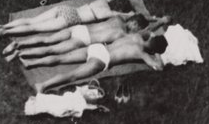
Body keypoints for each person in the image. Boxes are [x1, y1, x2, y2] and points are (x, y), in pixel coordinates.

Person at [34, 30, 169, 93]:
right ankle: (43, 85)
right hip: (102, 58)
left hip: (98, 46)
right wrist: (156, 54)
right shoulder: (141, 53)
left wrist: (152, 35)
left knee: (61, 58)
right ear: (153, 49)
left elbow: (149, 32)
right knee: (72, 76)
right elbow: (159, 67)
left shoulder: (136, 36)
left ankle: (32, 63)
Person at [8, 12, 169, 61]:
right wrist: (160, 21)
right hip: (83, 39)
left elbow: (137, 17)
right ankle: (19, 53)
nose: (136, 29)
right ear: (135, 25)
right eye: (137, 26)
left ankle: (18, 45)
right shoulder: (124, 34)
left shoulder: (118, 18)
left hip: (79, 29)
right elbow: (145, 31)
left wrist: (157, 19)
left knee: (47, 40)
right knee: (52, 51)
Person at [0, 0, 137, 40]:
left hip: (66, 9)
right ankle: (4, 32)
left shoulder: (103, 1)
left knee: (31, 21)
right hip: (71, 19)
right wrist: (129, 14)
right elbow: (122, 15)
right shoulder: (109, 13)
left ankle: (4, 26)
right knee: (34, 27)